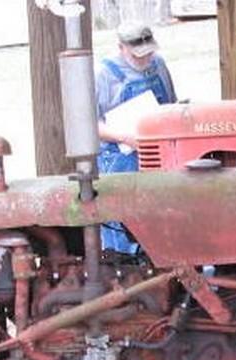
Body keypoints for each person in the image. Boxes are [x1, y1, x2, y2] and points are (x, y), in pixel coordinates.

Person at [95, 21, 177, 253]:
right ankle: (122, 260)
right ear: (121, 48)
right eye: (138, 55)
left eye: (149, 53)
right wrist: (123, 137)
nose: (145, 59)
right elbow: (87, 125)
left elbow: (170, 105)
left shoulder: (159, 65)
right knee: (117, 214)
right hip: (119, 156)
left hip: (158, 153)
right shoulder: (103, 75)